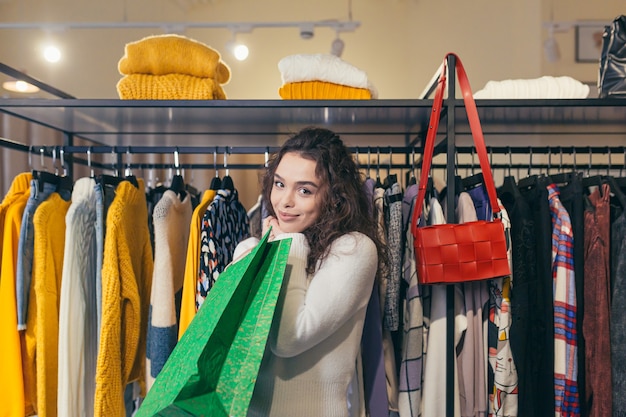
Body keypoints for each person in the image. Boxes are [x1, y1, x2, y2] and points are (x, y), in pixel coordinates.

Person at [232, 127, 387, 417]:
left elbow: (288, 338)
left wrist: (288, 247)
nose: (285, 202)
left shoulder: (354, 249)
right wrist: (249, 252)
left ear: (334, 197)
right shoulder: (259, 246)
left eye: (304, 190)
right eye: (279, 184)